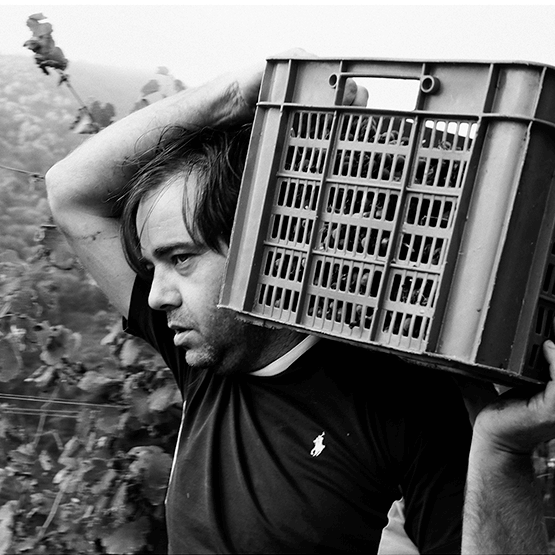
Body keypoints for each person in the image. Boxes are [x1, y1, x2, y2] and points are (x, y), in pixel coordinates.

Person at [45, 50, 555, 554]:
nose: (156, 295)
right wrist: (231, 96)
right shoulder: (204, 361)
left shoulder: (406, 403)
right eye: (151, 266)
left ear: (259, 249)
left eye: (181, 258)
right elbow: (69, 190)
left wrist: (502, 451)